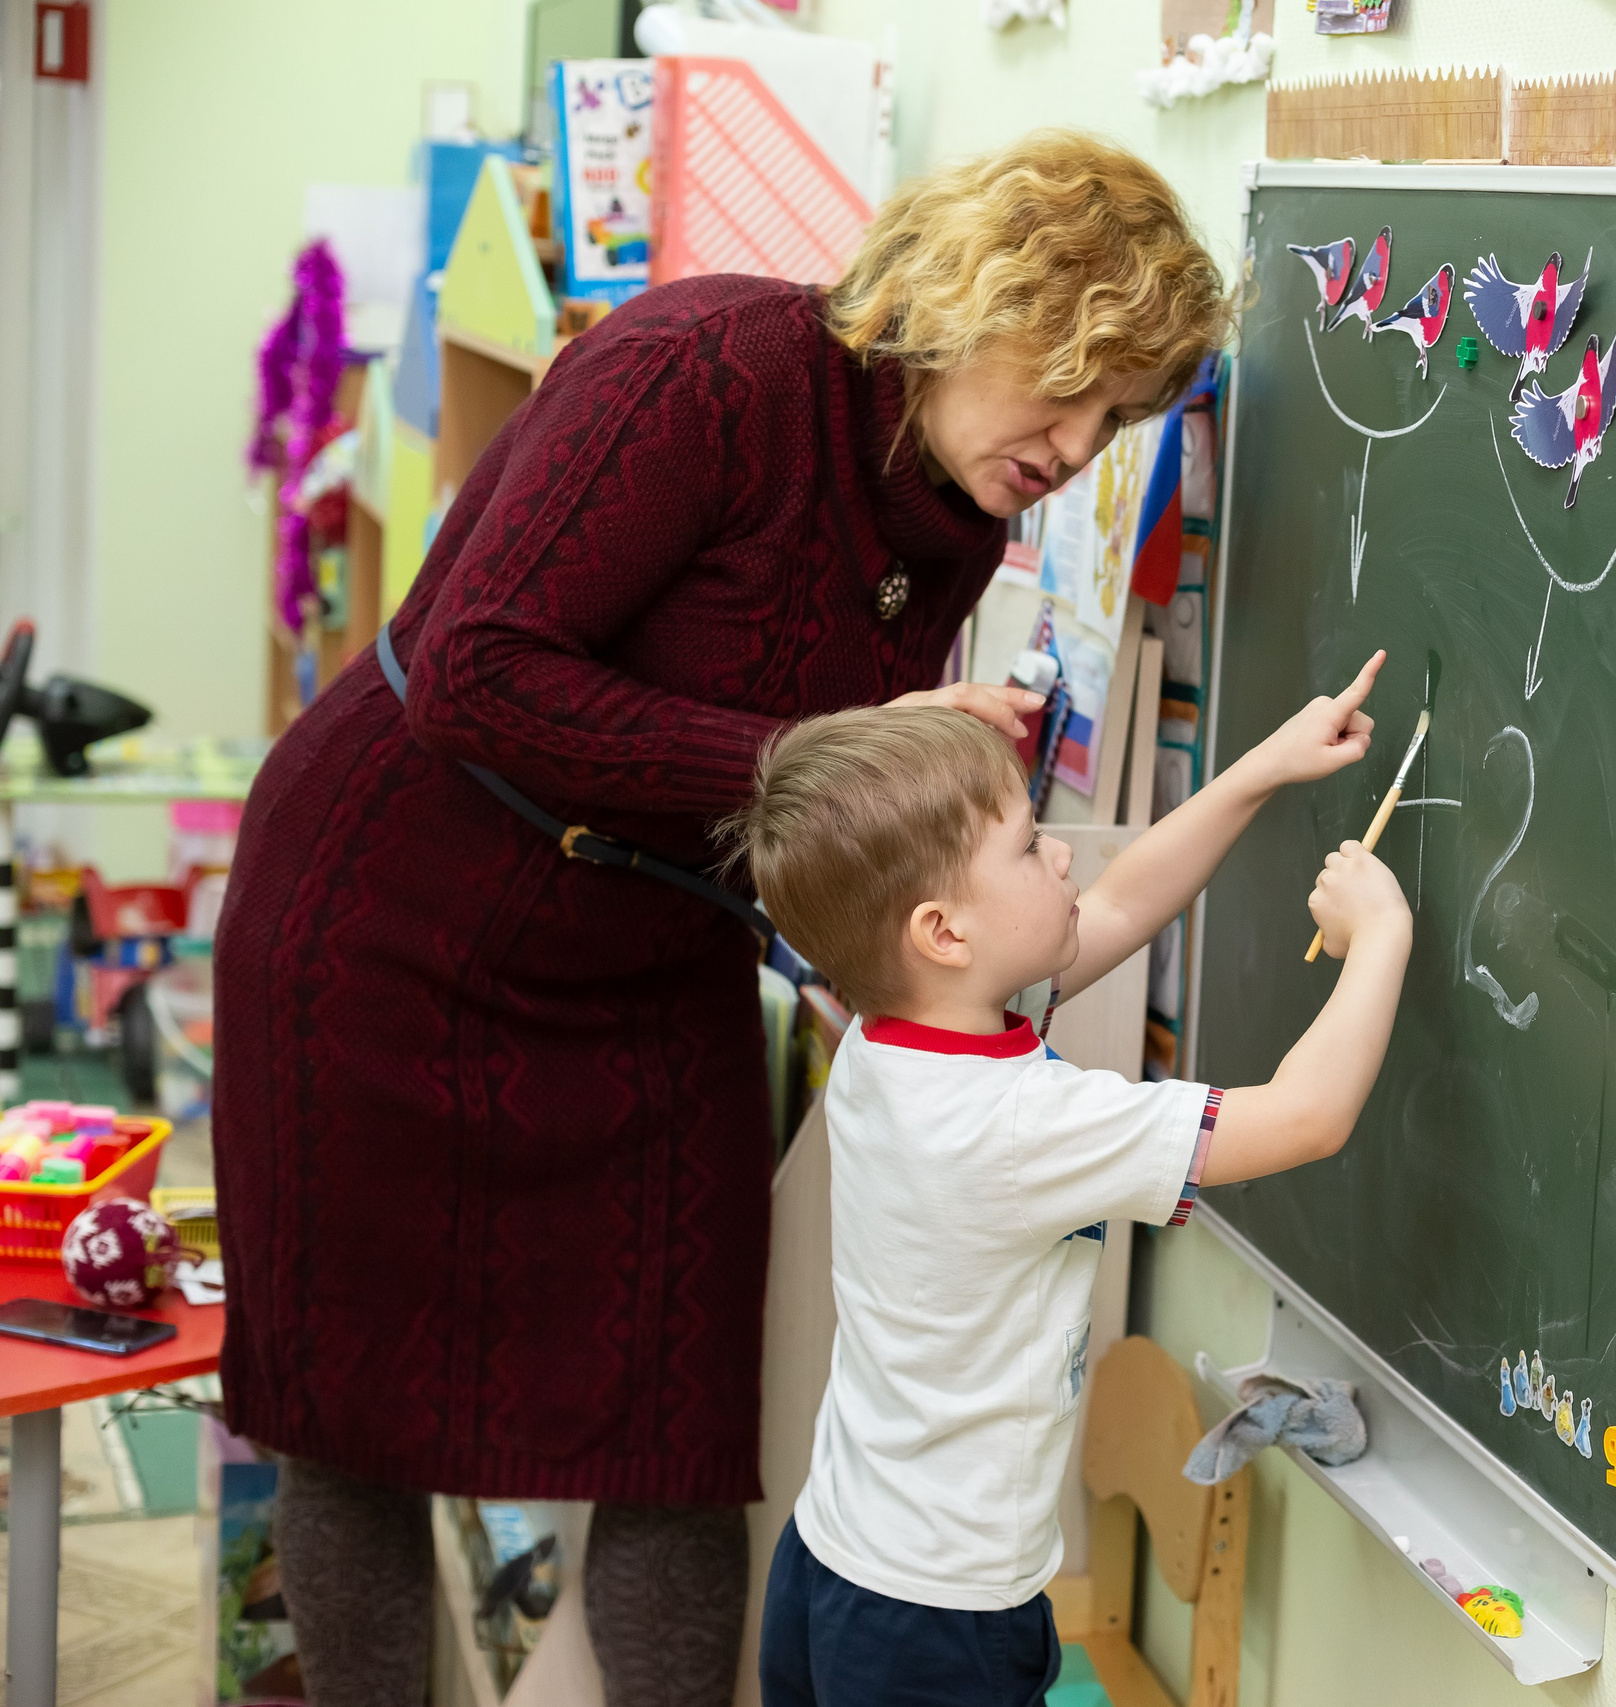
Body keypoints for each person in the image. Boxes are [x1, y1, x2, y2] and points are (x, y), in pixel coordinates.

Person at [211, 130, 1229, 1704]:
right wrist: (821, 757)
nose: (1081, 442)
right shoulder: (708, 367)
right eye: (1073, 383)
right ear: (982, 292)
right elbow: (481, 668)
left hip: (643, 956)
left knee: (674, 1428)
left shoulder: (956, 503)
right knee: (357, 1419)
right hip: (382, 927)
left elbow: (815, 813)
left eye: (1119, 417)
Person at [726, 654, 1413, 1705]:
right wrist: (1381, 938)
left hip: (835, 1563)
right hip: (939, 1622)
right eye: (1027, 845)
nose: (1060, 858)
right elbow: (1305, 1118)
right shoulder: (1011, 1125)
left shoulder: (896, 1033)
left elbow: (1121, 907)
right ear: (943, 933)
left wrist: (1260, 770)